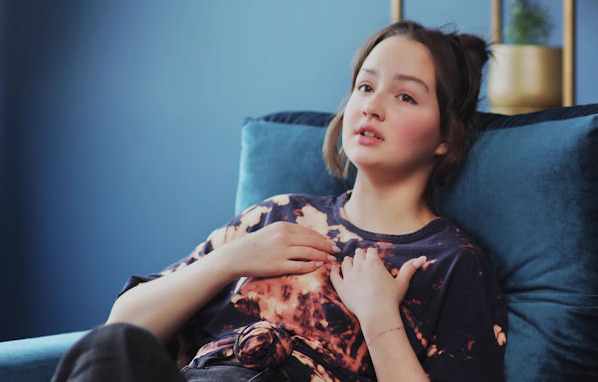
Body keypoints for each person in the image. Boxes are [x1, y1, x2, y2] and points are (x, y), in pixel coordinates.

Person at [54, 21, 507, 382]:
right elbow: (123, 325)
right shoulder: (276, 216)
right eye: (365, 88)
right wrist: (228, 261)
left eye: (405, 96)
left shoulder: (451, 263)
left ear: (446, 136)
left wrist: (379, 316)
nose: (372, 107)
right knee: (109, 350)